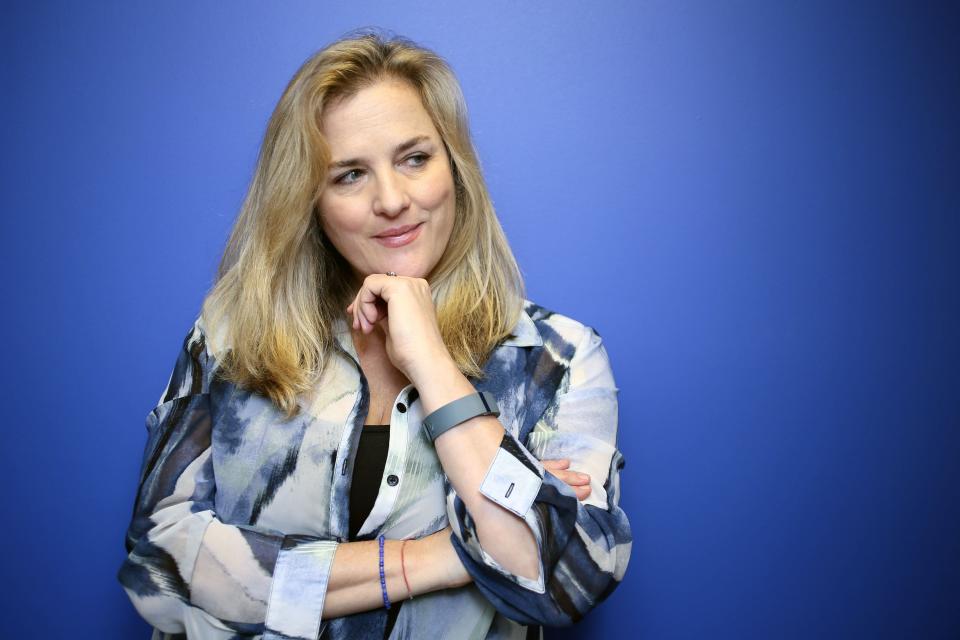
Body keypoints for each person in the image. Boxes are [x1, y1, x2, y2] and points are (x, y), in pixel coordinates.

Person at [118, 31, 631, 640]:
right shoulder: (232, 339)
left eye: (415, 158)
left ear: (456, 167)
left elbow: (563, 578)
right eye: (349, 175)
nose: (392, 200)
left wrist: (431, 362)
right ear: (309, 200)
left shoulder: (556, 358)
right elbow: (160, 566)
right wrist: (451, 555)